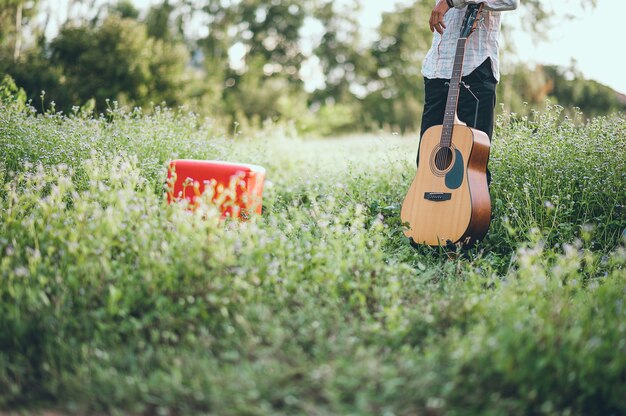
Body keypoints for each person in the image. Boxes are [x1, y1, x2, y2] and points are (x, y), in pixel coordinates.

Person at [420, 0, 519, 184]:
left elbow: (510, 1)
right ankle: (428, 212)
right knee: (427, 160)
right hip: (437, 69)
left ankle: (468, 213)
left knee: (470, 165)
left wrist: (450, 2)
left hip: (474, 69)